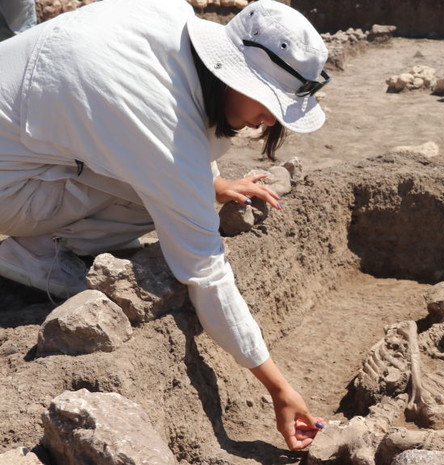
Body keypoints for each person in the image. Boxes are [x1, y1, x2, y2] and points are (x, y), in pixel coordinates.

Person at [0, 0, 330, 450]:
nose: (269, 120)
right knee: (166, 195)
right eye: (270, 101)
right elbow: (205, 271)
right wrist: (279, 389)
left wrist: (211, 182)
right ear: (231, 74)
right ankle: (38, 252)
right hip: (9, 185)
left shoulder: (170, 22)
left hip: (23, 144)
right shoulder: (159, 127)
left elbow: (154, 127)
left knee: (175, 185)